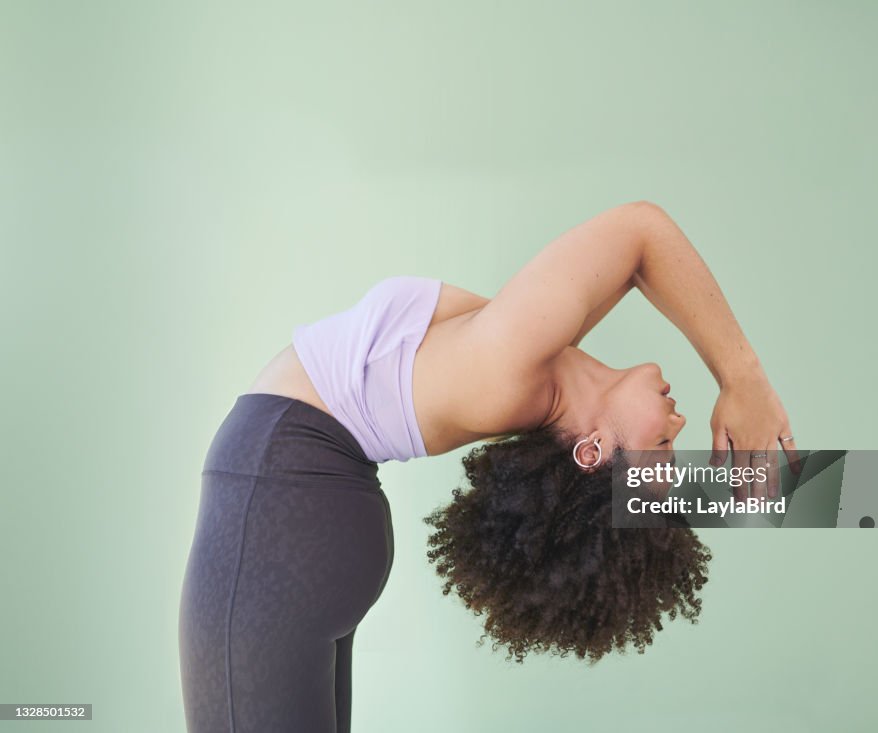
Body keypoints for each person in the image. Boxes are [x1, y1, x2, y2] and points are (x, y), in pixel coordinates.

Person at [178, 200, 797, 732]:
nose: (677, 428)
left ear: (589, 451)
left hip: (279, 498)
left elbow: (641, 228)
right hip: (311, 510)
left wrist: (743, 379)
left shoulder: (511, 367)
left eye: (661, 448)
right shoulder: (543, 365)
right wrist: (806, 483)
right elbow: (637, 261)